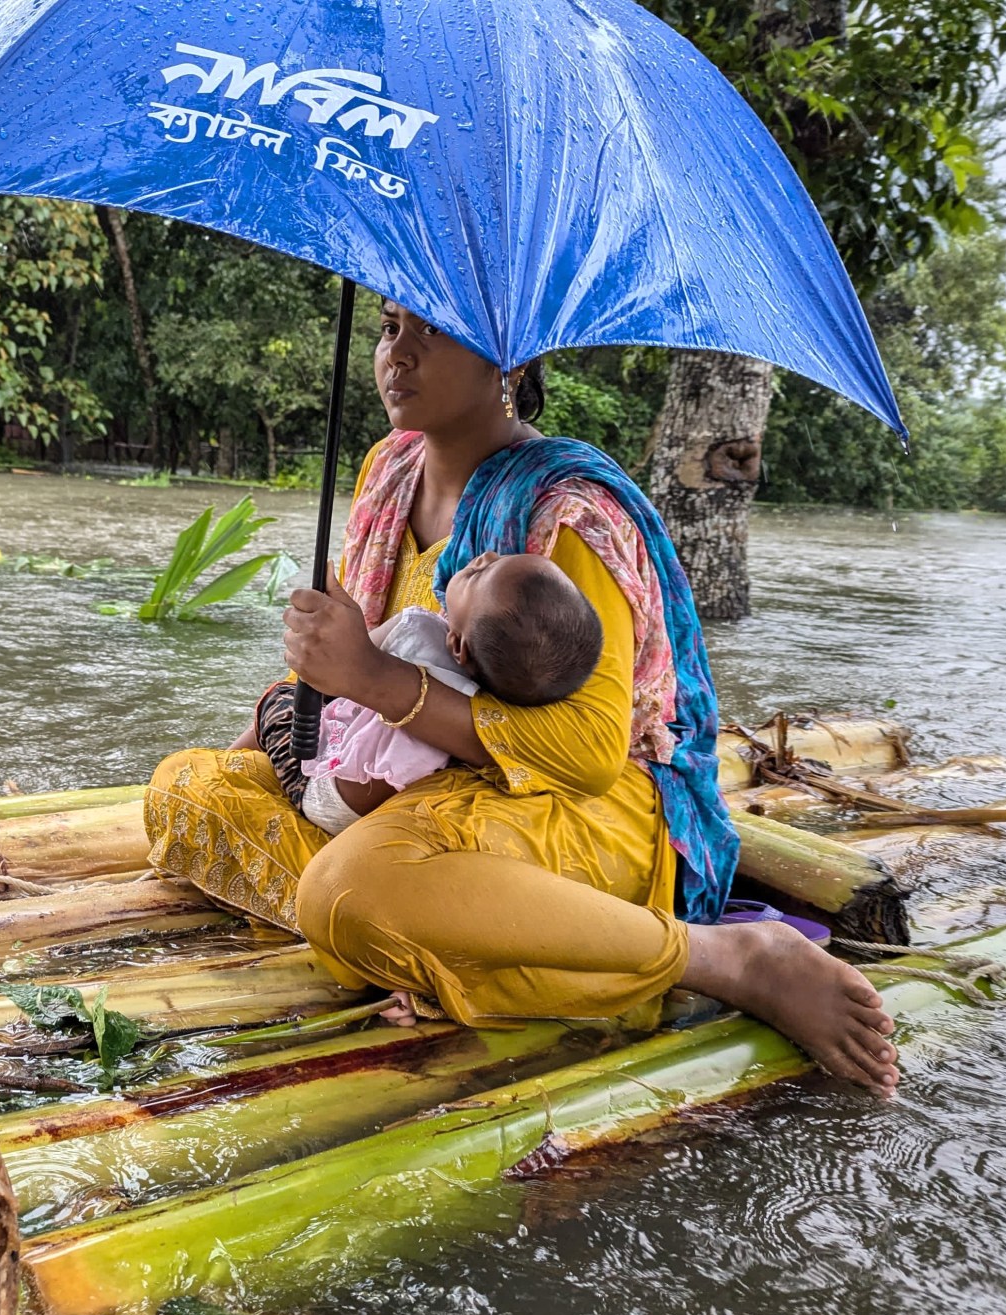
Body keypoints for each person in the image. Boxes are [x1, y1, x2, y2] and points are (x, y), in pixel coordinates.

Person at [146, 301, 899, 1096]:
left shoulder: (567, 514)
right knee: (186, 789)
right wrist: (298, 700)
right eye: (388, 328)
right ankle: (448, 941)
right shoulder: (385, 472)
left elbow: (589, 751)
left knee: (349, 892)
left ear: (508, 361)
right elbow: (348, 676)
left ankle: (721, 958)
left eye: (429, 332)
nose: (395, 357)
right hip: (404, 786)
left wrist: (375, 680)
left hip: (564, 806)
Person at [247, 553, 603, 837]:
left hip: (324, 800)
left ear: (458, 646)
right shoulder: (491, 706)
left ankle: (225, 762)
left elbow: (332, 676)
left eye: (481, 573)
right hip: (373, 819)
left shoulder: (417, 629)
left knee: (280, 697)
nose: (486, 555)